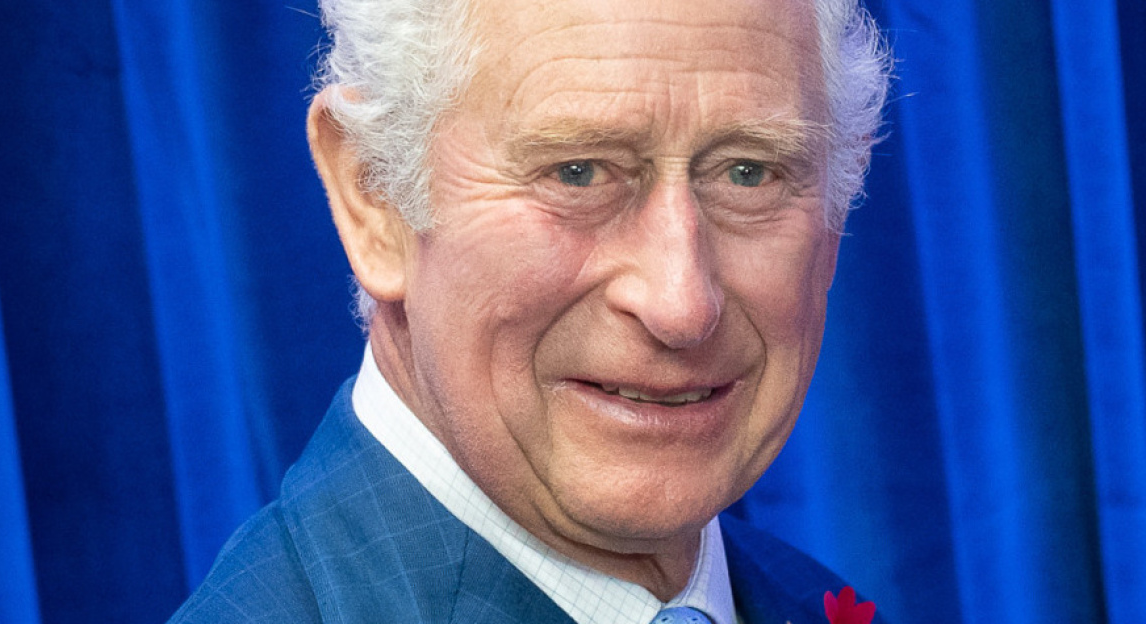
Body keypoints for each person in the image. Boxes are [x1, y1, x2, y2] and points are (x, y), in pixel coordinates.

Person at [169, 0, 890, 621]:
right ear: (375, 197)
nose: (681, 304)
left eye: (748, 172)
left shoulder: (806, 597)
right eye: (577, 172)